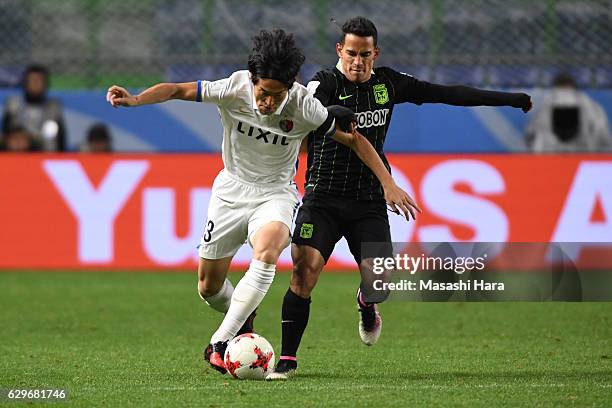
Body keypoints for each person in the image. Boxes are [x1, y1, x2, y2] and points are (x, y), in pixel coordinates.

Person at [106, 28, 414, 374]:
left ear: (290, 88)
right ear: (252, 81)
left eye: (276, 96)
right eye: (263, 93)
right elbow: (177, 89)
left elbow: (355, 140)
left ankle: (220, 342)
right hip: (230, 191)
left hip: (276, 194)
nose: (267, 102)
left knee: (268, 250)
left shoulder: (304, 106)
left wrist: (387, 182)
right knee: (208, 287)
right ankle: (243, 312)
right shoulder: (233, 87)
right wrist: (134, 100)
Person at [267, 16, 533, 380]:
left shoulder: (388, 83)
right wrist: (332, 113)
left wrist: (508, 99)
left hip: (369, 200)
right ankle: (288, 359)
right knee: (304, 270)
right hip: (322, 197)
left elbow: (446, 93)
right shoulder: (325, 82)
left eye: (364, 54)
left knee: (379, 286)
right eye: (350, 53)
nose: (357, 62)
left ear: (375, 53)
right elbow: (308, 108)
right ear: (338, 51)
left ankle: (366, 305)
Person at [526, 72, 612, 152]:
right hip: (584, 156)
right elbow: (602, 134)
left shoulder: (543, 105)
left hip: (550, 158)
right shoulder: (592, 105)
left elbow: (531, 135)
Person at [2, 64, 67, 152]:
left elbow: (61, 139)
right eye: (32, 80)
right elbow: (6, 132)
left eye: (39, 80)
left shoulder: (53, 107)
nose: (35, 84)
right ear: (25, 83)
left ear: (45, 84)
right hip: (18, 153)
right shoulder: (14, 105)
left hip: (45, 153)